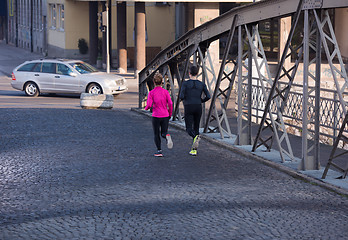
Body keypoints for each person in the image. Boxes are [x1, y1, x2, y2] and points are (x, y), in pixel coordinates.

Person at [179, 65, 211, 156]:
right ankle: (194, 150)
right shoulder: (201, 84)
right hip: (198, 106)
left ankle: (195, 137)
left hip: (188, 106)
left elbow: (181, 96)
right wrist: (201, 100)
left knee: (189, 128)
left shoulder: (185, 84)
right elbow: (208, 96)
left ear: (189, 73)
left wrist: (184, 99)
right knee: (196, 127)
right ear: (197, 73)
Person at [145, 72, 173, 157]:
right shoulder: (165, 92)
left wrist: (146, 108)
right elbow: (170, 103)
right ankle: (167, 136)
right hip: (165, 115)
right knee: (163, 132)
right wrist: (170, 114)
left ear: (154, 82)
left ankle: (159, 151)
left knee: (156, 134)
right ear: (162, 82)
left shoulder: (151, 93)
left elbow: (149, 105)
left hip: (156, 115)